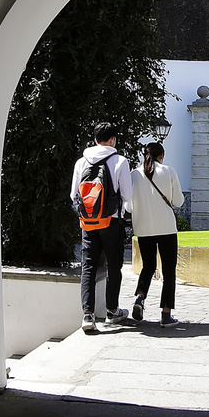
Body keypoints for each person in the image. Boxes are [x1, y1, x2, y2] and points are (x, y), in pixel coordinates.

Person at [70, 122, 134, 333]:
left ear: (95, 139)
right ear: (113, 140)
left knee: (88, 265)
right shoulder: (120, 161)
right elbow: (128, 195)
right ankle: (112, 310)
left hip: (88, 222)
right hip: (111, 221)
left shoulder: (81, 162)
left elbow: (73, 195)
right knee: (114, 266)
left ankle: (87, 315)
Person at [126, 142, 185, 326]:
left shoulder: (134, 174)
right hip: (166, 228)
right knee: (168, 270)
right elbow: (179, 201)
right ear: (162, 155)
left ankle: (140, 297)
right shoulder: (169, 171)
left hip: (143, 229)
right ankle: (166, 314)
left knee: (148, 266)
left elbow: (128, 207)